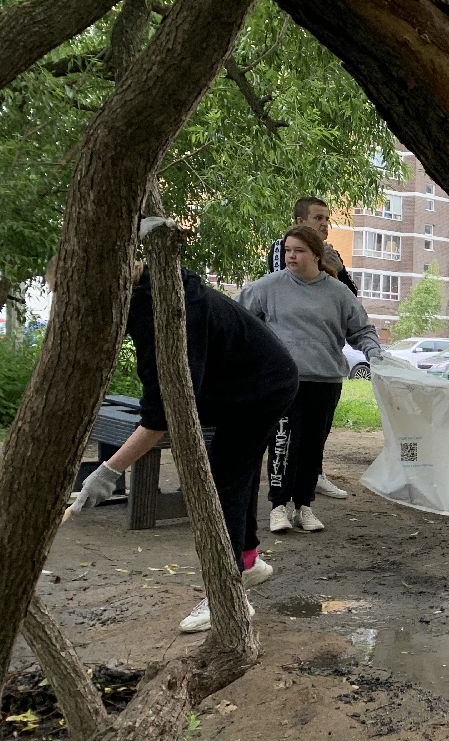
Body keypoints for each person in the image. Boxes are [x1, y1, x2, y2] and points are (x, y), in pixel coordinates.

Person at [69, 252, 299, 634]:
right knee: (231, 475)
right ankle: (249, 561)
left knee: (223, 482)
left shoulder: (165, 314)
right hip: (242, 382)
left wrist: (109, 471)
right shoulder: (151, 291)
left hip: (261, 387)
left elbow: (160, 416)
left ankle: (227, 596)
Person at [240, 225, 382, 534]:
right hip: (283, 382)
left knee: (311, 448)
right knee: (281, 444)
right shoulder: (268, 287)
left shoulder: (337, 292)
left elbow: (362, 330)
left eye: (299, 250)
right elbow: (241, 320)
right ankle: (278, 507)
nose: (291, 256)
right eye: (288, 250)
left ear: (316, 255)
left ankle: (304, 506)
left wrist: (373, 351)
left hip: (325, 381)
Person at [266, 195, 357, 500]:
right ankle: (282, 492)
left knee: (318, 428)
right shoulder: (284, 251)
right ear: (300, 221)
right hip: (290, 362)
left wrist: (336, 270)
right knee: (287, 432)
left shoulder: (331, 254)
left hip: (325, 361)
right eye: (318, 218)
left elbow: (350, 297)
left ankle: (311, 478)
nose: (325, 224)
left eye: (327, 219)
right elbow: (288, 285)